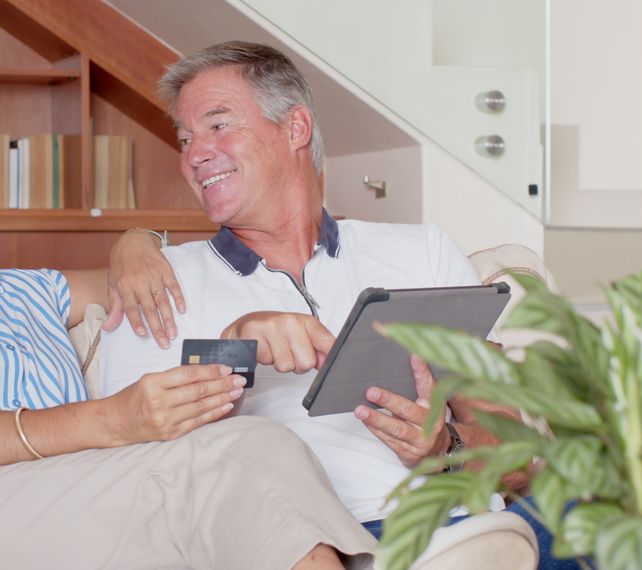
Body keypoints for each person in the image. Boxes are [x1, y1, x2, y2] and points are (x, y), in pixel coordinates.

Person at [0, 83, 375, 570]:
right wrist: (116, 421)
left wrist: (137, 242)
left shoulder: (20, 294)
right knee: (233, 457)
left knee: (251, 452)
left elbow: (174, 276)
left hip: (36, 525)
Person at [99, 41, 576, 569]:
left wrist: (443, 448)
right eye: (185, 138)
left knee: (640, 522)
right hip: (322, 543)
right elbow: (141, 473)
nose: (193, 154)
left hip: (477, 526)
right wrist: (236, 348)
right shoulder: (155, 284)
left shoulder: (422, 251)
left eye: (217, 126)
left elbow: (516, 458)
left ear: (295, 128)